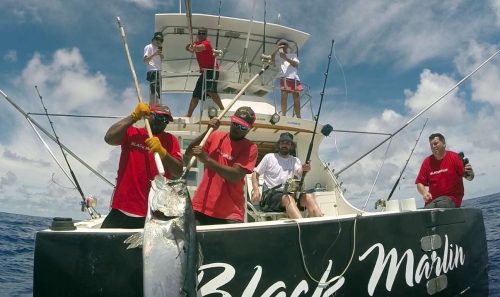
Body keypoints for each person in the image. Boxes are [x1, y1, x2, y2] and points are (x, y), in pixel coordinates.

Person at [101, 103, 183, 228]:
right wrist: (133, 117)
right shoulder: (133, 133)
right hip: (122, 209)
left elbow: (178, 171)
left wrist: (163, 152)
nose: (163, 122)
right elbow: (109, 138)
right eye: (160, 118)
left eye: (167, 120)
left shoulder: (171, 140)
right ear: (149, 115)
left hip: (152, 215)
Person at [186, 106, 258, 225]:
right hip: (201, 207)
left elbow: (235, 176)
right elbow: (189, 152)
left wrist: (208, 160)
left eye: (243, 127)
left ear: (249, 129)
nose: (237, 129)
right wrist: (208, 130)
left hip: (230, 214)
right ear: (231, 120)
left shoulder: (250, 147)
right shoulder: (216, 136)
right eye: (236, 124)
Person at [251, 132, 323, 219]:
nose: (285, 145)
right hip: (270, 197)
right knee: (288, 198)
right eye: (283, 142)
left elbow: (299, 171)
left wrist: (305, 169)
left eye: (288, 143)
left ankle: (321, 225)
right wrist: (256, 190)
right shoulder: (269, 157)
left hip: (289, 195)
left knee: (309, 197)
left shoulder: (295, 160)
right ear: (279, 144)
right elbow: (256, 173)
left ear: (291, 146)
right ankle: (303, 227)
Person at [415, 133, 475, 209]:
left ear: (444, 144)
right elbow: (419, 183)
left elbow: (470, 178)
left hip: (451, 199)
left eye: (435, 143)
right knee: (423, 213)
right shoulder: (427, 162)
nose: (433, 146)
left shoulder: (455, 157)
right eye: (431, 145)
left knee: (441, 205)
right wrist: (424, 192)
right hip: (432, 202)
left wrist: (470, 173)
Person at [184, 27, 224, 117]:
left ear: (206, 35)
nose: (201, 35)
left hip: (212, 70)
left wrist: (193, 47)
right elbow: (189, 49)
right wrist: (189, 46)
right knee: (195, 94)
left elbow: (199, 48)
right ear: (198, 34)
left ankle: (222, 109)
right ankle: (189, 114)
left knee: (210, 91)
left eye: (203, 34)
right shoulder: (196, 43)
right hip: (204, 72)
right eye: (200, 33)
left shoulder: (207, 43)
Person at [271, 39, 303, 118]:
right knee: (284, 95)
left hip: (294, 77)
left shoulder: (293, 55)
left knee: (296, 97)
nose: (283, 46)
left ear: (287, 46)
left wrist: (286, 58)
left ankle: (298, 116)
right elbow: (272, 59)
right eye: (281, 44)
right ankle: (284, 115)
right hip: (284, 77)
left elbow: (295, 64)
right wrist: (277, 49)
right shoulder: (277, 57)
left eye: (284, 44)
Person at [144, 32, 164, 106]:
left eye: (161, 40)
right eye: (157, 39)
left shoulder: (158, 49)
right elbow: (145, 60)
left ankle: (157, 106)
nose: (159, 41)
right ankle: (152, 107)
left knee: (158, 91)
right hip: (153, 71)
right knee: (153, 90)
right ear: (153, 39)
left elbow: (161, 60)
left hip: (158, 71)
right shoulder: (149, 47)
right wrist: (154, 54)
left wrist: (160, 55)